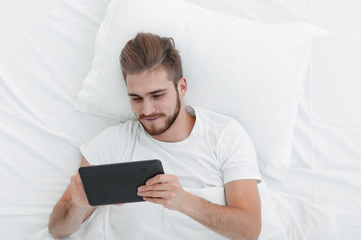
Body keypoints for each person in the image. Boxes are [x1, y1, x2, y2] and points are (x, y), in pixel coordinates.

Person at [48, 32, 262, 240]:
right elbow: (57, 230)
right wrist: (79, 206)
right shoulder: (113, 143)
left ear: (182, 87)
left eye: (157, 95)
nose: (147, 110)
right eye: (136, 98)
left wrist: (183, 201)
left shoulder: (224, 135)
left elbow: (249, 229)